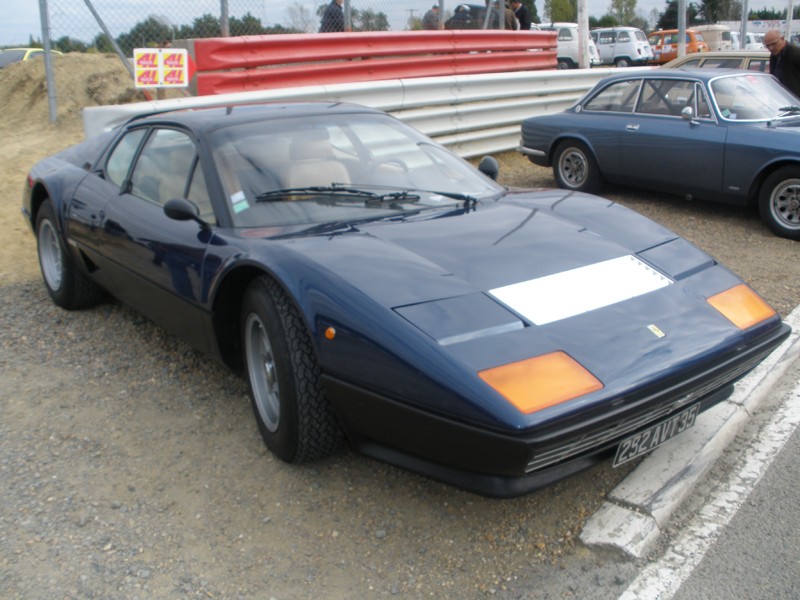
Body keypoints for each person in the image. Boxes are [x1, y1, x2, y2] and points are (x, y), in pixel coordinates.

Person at [764, 30, 800, 98]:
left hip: (794, 99)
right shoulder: (774, 55)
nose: (771, 48)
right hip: (780, 97)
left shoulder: (795, 53)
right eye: (767, 46)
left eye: (774, 44)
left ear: (782, 39)